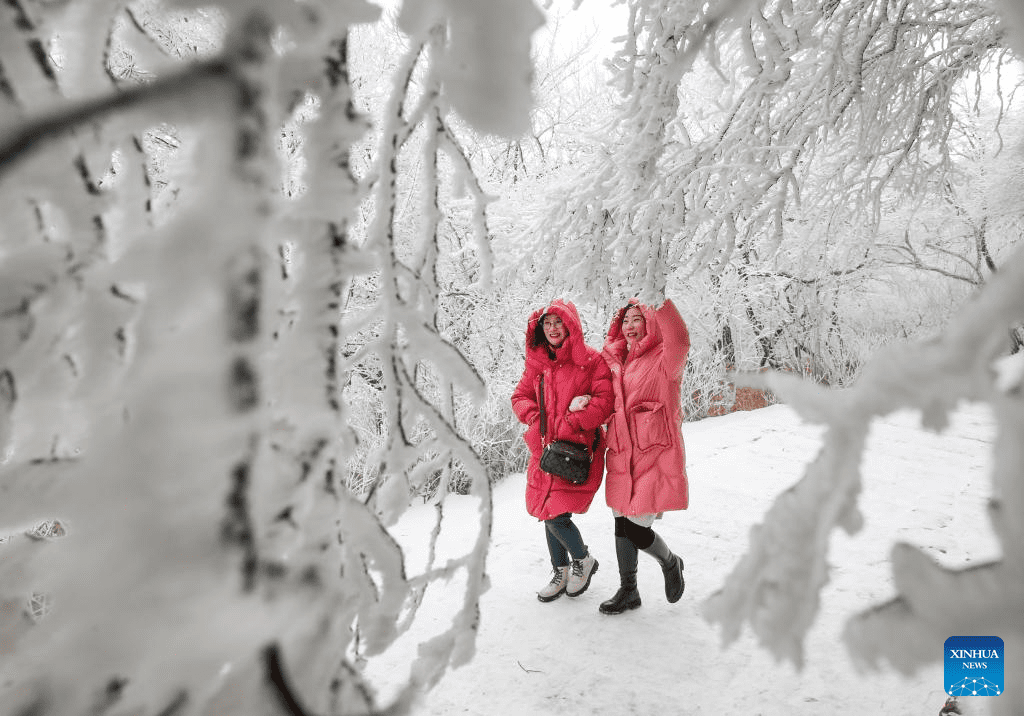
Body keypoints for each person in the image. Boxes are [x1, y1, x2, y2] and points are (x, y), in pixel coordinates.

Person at [511, 300, 614, 602]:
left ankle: (583, 559)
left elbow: (604, 401)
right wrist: (534, 419)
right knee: (548, 512)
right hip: (545, 452)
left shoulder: (591, 362)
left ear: (570, 325)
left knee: (556, 516)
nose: (553, 328)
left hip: (575, 451)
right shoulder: (538, 363)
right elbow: (520, 396)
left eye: (559, 322)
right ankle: (561, 571)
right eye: (547, 323)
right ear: (541, 329)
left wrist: (570, 421)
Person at [598, 298, 690, 614]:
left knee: (637, 528)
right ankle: (629, 591)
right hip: (622, 454)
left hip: (653, 456)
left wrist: (659, 298)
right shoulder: (613, 362)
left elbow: (680, 339)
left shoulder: (665, 359)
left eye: (637, 319)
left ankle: (670, 561)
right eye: (625, 321)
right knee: (621, 524)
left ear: (650, 322)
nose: (630, 326)